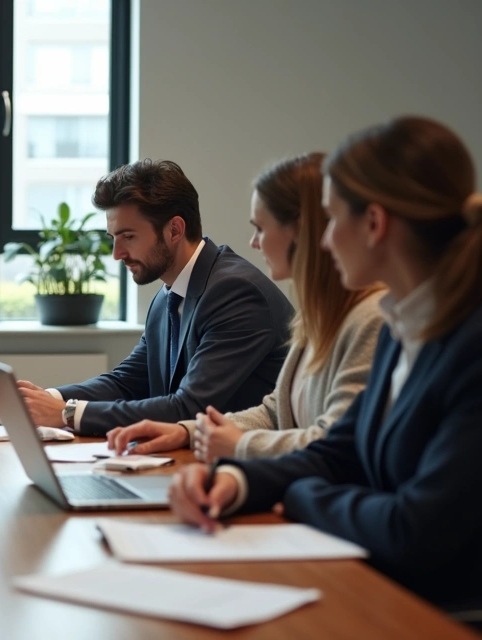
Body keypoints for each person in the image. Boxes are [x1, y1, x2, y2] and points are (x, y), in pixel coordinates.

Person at [169, 116, 482, 615]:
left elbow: (415, 530)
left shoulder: (465, 345)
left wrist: (297, 497)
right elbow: (339, 451)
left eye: (333, 220)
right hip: (387, 586)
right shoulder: (405, 330)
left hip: (438, 612)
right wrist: (234, 481)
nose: (327, 239)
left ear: (375, 225)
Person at [106, 154, 386, 459]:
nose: (253, 242)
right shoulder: (316, 316)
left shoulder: (370, 318)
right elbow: (275, 412)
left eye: (261, 228)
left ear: (303, 230)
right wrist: (187, 431)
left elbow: (336, 442)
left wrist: (238, 446)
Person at [17, 159, 293, 436]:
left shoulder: (235, 292)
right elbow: (127, 382)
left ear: (174, 230)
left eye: (128, 236)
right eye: (113, 237)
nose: (117, 253)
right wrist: (44, 399)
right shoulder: (170, 295)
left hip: (250, 466)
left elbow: (189, 408)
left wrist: (68, 413)